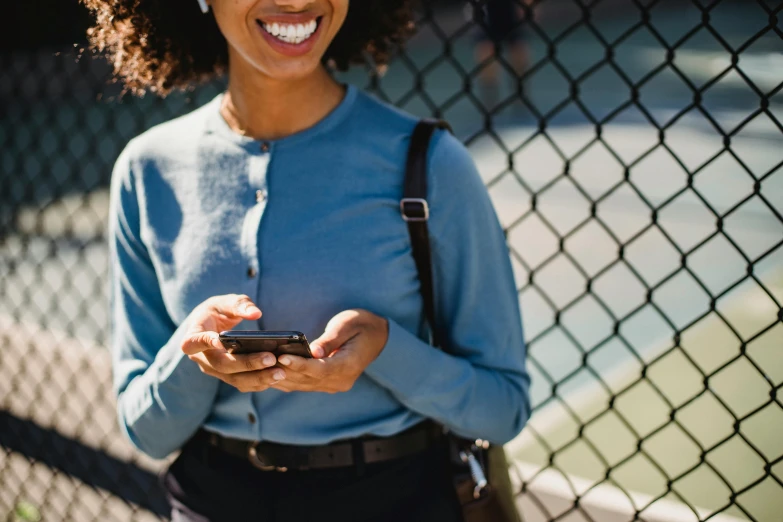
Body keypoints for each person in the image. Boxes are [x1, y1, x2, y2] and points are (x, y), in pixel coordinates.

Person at [87, 0, 530, 519]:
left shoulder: (432, 166)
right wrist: (190, 356)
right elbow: (147, 432)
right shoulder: (145, 172)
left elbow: (502, 410)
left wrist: (386, 350)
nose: (296, 1)